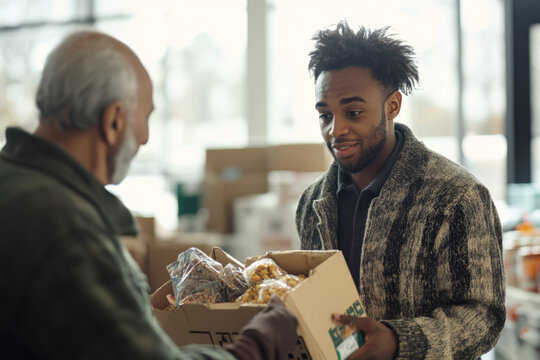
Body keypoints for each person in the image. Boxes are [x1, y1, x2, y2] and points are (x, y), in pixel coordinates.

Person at [0, 30, 298, 360]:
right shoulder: (65, 228)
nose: (144, 137)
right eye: (146, 116)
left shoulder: (15, 184)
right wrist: (258, 343)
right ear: (114, 121)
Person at [296, 21, 505, 359]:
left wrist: (398, 341)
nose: (336, 130)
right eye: (325, 116)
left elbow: (483, 317)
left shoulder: (456, 195)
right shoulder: (311, 203)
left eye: (353, 112)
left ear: (392, 105)